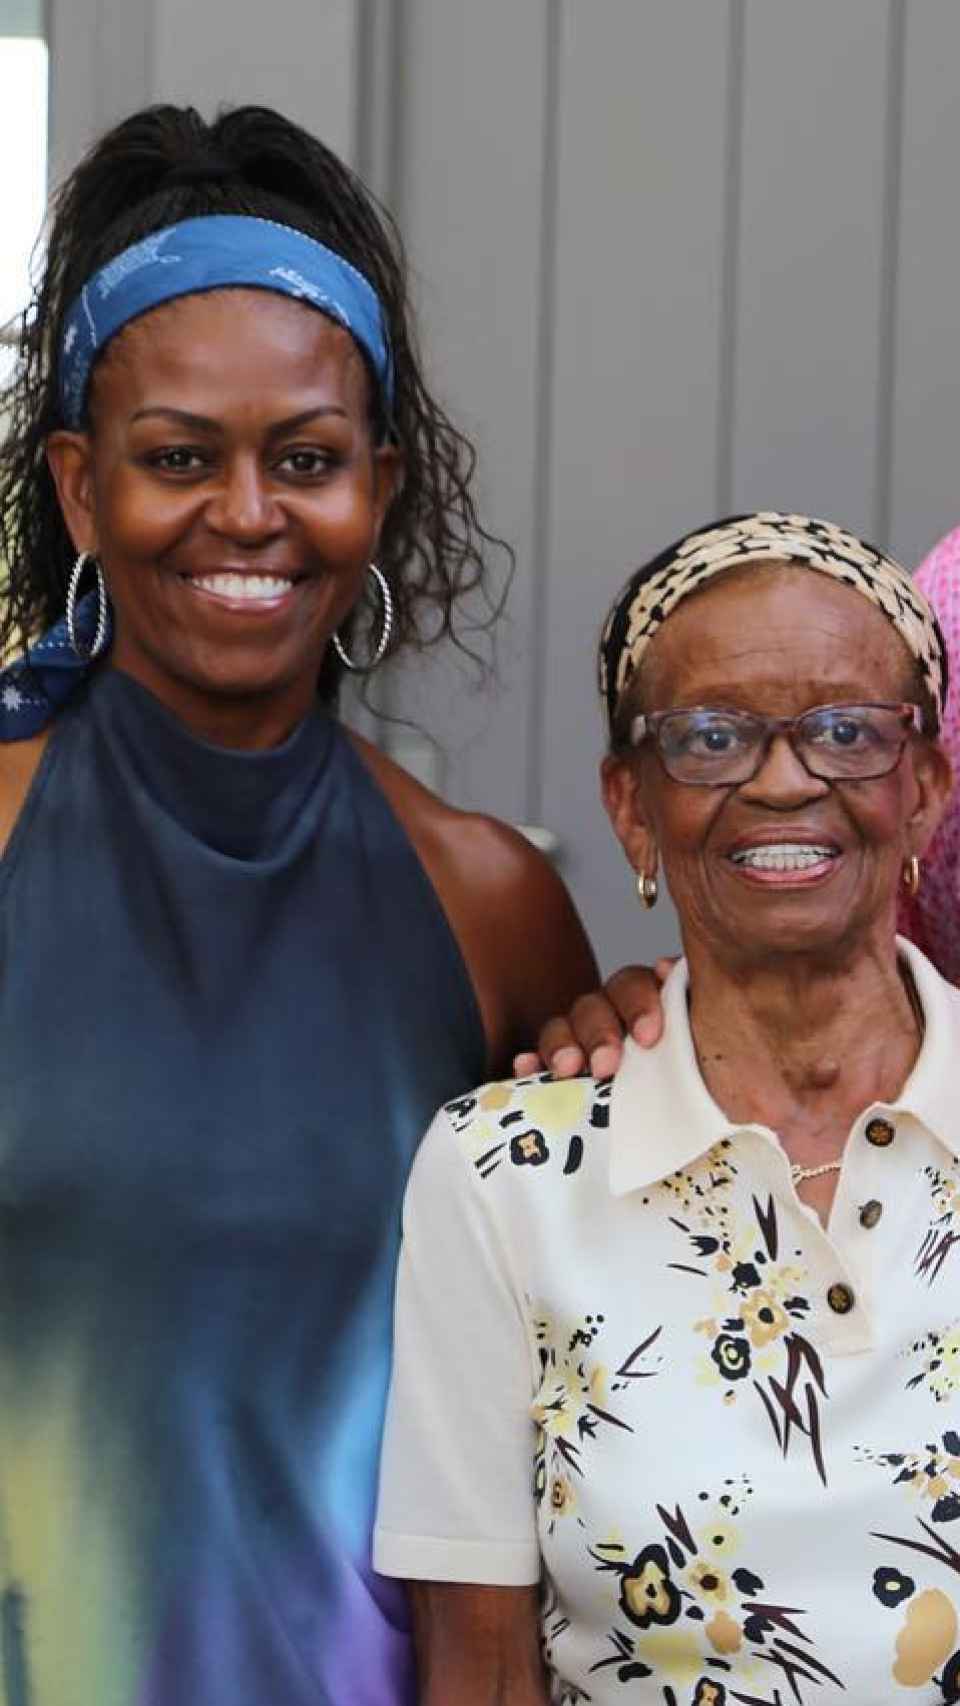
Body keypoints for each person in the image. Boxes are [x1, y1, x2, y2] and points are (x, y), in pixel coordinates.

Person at [0, 100, 654, 1706]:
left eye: (305, 458)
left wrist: (639, 1038)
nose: (246, 515)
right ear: (83, 491)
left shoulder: (485, 897)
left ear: (380, 486)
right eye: (176, 460)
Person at [375, 511, 960, 1705]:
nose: (785, 777)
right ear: (633, 806)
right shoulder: (506, 1173)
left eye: (849, 731)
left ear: (927, 791)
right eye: (711, 737)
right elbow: (478, 1670)